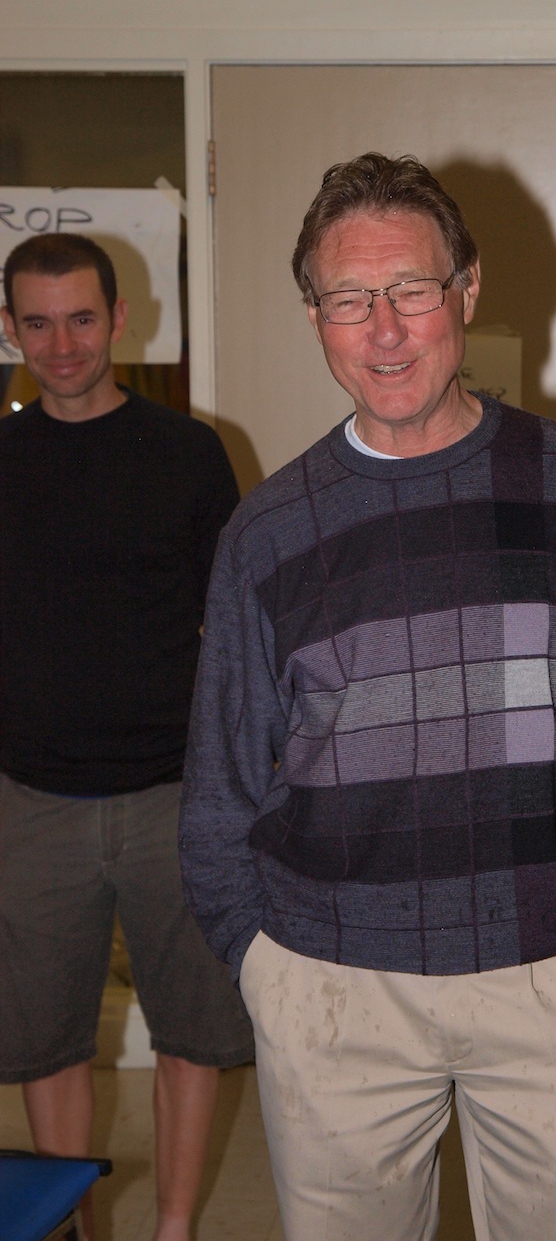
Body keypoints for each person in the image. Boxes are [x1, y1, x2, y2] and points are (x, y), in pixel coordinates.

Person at [179, 153, 556, 1241]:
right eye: (349, 299)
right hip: (331, 981)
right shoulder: (269, 531)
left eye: (410, 288)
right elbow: (223, 772)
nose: (385, 329)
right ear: (315, 317)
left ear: (467, 288)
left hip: (552, 961)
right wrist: (259, 958)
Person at [0, 233, 254, 1241]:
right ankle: (73, 1227)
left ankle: (174, 1227)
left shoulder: (188, 453)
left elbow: (237, 631)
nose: (62, 345)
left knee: (191, 1031)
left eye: (81, 318)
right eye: (38, 323)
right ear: (10, 328)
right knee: (47, 1041)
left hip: (172, 796)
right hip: (30, 801)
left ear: (119, 318)